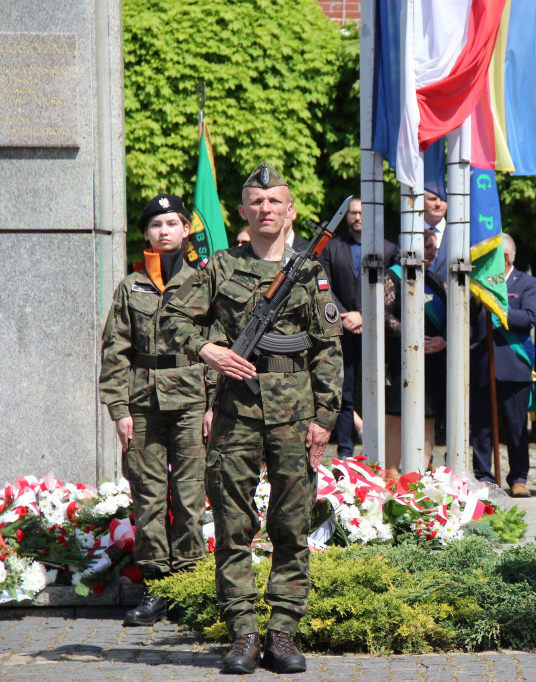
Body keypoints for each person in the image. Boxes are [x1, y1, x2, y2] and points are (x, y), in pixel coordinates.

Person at [163, 162, 343, 675]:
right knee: (233, 522)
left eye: (274, 202)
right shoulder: (219, 267)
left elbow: (328, 349)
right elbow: (174, 320)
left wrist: (324, 419)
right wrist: (209, 351)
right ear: (243, 211)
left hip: (295, 413)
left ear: (290, 211)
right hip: (236, 409)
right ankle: (242, 633)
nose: (265, 209)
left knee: (290, 524)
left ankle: (283, 632)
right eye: (256, 202)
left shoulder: (310, 271)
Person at [99, 194, 212, 627]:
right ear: (146, 233)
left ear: (186, 231)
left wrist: (213, 403)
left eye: (172, 223)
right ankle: (156, 587)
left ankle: (188, 588)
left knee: (189, 498)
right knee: (147, 496)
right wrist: (119, 408)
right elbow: (116, 353)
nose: (163, 231)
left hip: (191, 401)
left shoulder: (204, 283)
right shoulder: (131, 287)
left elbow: (219, 345)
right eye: (155, 225)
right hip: (142, 403)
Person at [318, 196, 397, 456]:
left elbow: (392, 289)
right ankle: (345, 451)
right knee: (344, 391)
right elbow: (324, 285)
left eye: (362, 212)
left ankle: (383, 448)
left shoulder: (388, 249)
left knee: (381, 390)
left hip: (378, 330)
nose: (357, 217)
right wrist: (345, 315)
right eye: (352, 213)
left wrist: (365, 314)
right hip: (343, 329)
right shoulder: (332, 247)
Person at [470, 233, 536, 496]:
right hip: (481, 363)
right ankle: (483, 477)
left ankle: (518, 478)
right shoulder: (476, 284)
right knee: (481, 428)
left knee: (516, 427)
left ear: (506, 257)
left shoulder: (526, 282)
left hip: (514, 364)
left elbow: (529, 317)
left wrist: (499, 310)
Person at [384, 229, 447, 473]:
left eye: (434, 248)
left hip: (433, 361)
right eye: (427, 248)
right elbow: (384, 315)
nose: (431, 253)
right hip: (400, 360)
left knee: (428, 417)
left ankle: (418, 478)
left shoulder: (438, 281)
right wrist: (411, 336)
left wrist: (443, 340)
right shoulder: (393, 276)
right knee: (397, 418)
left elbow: (454, 320)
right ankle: (390, 475)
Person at [424, 190, 450, 279]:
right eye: (432, 199)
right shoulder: (408, 236)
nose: (438, 204)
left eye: (443, 199)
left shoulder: (461, 236)